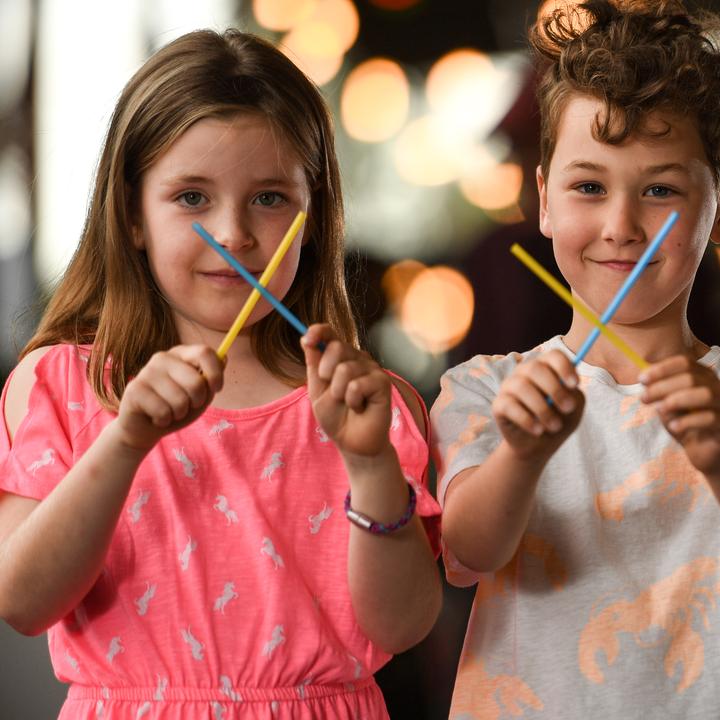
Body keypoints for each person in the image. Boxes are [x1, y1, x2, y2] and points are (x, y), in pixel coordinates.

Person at [0, 29, 441, 719]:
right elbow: (22, 602)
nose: (233, 235)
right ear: (133, 214)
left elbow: (404, 626)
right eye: (192, 198)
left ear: (313, 216)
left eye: (269, 198)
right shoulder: (59, 384)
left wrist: (370, 463)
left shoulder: (364, 406)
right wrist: (124, 441)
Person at [430, 1, 720, 716]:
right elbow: (468, 553)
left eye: (661, 190)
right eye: (589, 186)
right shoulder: (487, 388)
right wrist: (520, 454)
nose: (621, 226)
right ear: (544, 199)